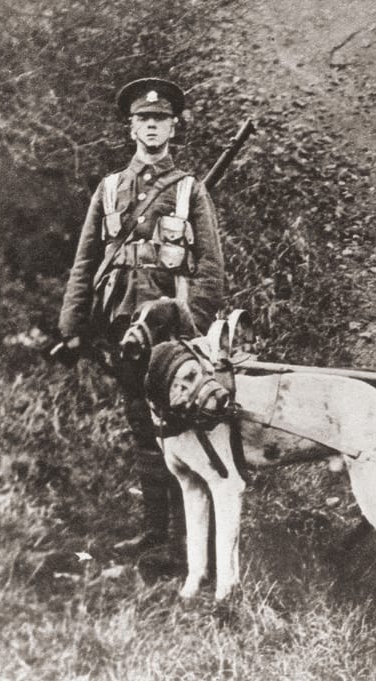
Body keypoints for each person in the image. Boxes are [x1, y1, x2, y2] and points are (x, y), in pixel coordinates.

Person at [55, 77, 227, 556]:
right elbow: (86, 261)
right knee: (143, 429)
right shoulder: (110, 189)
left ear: (173, 128)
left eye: (161, 120)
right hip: (122, 325)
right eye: (143, 120)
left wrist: (193, 327)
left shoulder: (189, 189)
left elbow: (211, 265)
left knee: (183, 427)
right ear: (131, 128)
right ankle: (156, 536)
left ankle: (190, 542)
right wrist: (72, 326)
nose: (152, 128)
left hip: (171, 332)